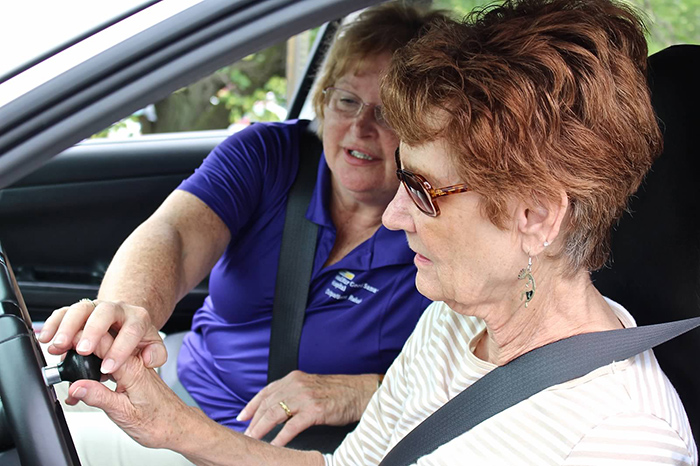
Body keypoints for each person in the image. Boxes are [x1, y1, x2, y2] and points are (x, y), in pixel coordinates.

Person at [60, 0, 699, 464]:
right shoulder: (456, 322)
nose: (395, 216)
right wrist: (170, 426)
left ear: (536, 216)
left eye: (421, 189)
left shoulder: (622, 439)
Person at [37, 2, 447, 461]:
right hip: (175, 392)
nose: (360, 126)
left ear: (428, 130)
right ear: (324, 101)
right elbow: (174, 234)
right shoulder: (270, 156)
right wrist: (129, 313)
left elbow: (474, 378)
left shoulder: (445, 228)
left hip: (299, 453)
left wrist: (367, 390)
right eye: (347, 100)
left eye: (387, 112)